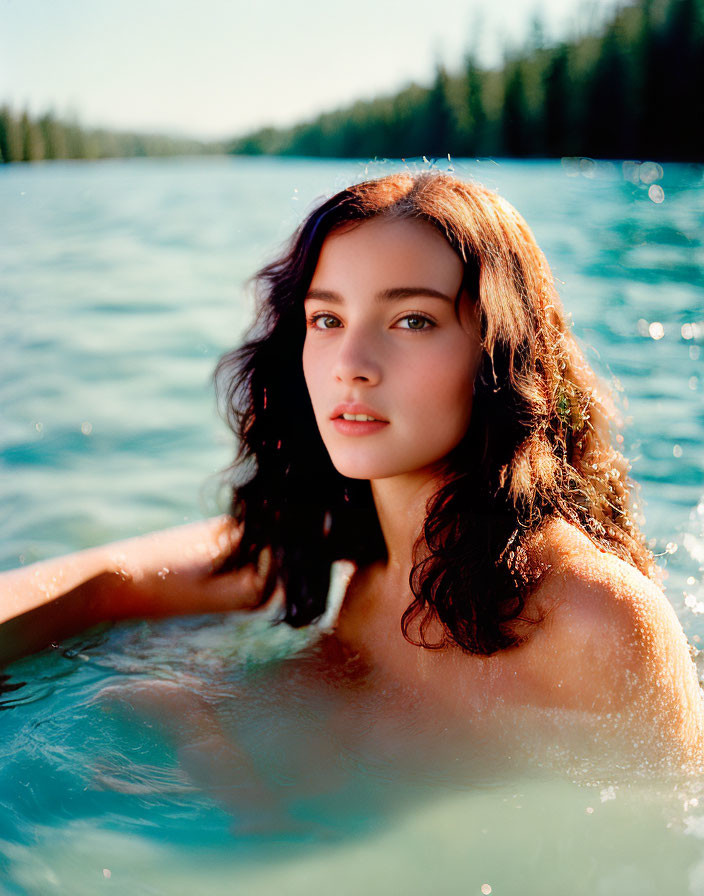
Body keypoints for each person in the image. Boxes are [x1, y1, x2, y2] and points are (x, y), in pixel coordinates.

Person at [1, 171, 702, 776]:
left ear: (497, 355)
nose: (351, 363)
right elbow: (108, 586)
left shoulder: (591, 615)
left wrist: (200, 738)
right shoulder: (344, 535)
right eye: (327, 319)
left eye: (412, 321)